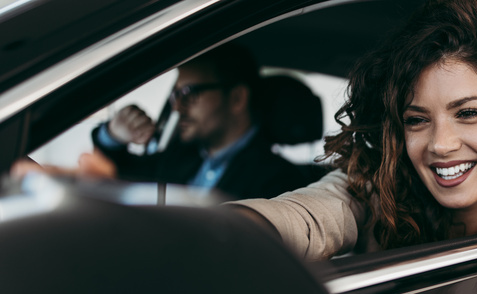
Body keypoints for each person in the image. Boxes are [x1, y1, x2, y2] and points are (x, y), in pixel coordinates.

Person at [230, 0, 477, 261]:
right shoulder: (373, 187)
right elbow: (308, 219)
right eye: (416, 120)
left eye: (468, 113)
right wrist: (217, 235)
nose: (440, 145)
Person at [89, 42, 311, 200]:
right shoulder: (176, 159)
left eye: (189, 93)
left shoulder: (280, 183)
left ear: (237, 98)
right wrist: (113, 135)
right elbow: (117, 172)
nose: (177, 108)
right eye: (176, 95)